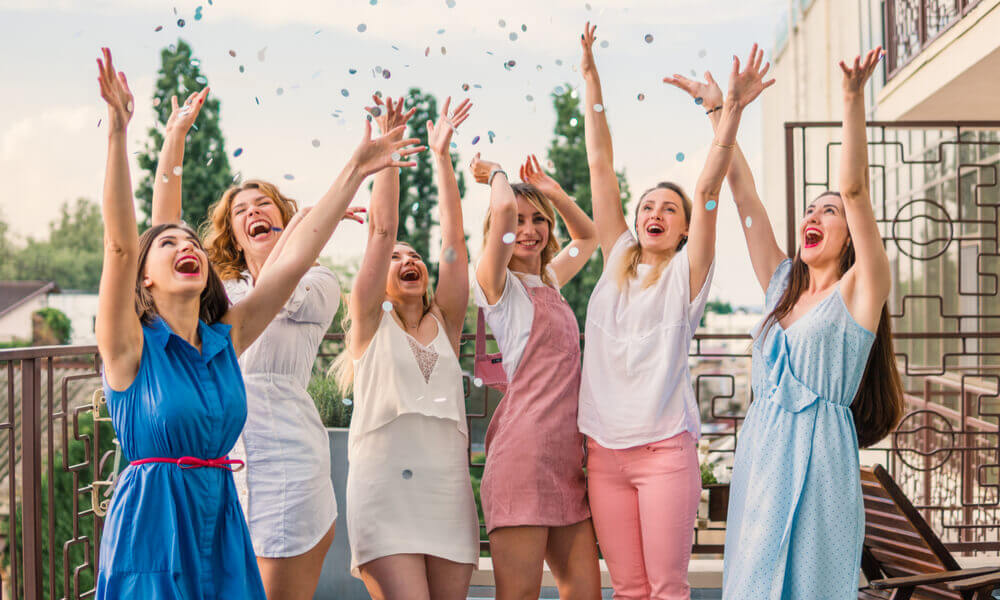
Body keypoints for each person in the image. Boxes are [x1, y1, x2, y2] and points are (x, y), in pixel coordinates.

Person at [93, 47, 422, 599]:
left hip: (221, 517)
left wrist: (357, 169)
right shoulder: (129, 348)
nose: (185, 244)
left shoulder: (228, 336)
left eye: (190, 240)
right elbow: (123, 245)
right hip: (154, 529)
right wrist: (120, 134)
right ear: (145, 280)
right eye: (169, 243)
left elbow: (294, 262)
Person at [667, 48, 904, 599]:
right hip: (763, 448)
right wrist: (720, 110)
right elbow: (743, 195)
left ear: (850, 237)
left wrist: (852, 99)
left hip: (822, 458)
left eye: (828, 212)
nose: (813, 216)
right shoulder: (781, 285)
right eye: (809, 209)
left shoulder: (862, 290)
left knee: (811, 586)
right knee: (753, 580)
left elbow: (856, 191)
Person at [149, 87, 364, 600]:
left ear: (287, 220)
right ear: (232, 233)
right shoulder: (215, 291)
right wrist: (174, 140)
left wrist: (294, 237)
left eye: (263, 205)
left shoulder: (319, 281)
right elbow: (159, 235)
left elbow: (279, 285)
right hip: (217, 461)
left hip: (286, 458)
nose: (252, 212)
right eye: (242, 210)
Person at [582, 24, 773, 600]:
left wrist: (724, 111)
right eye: (647, 206)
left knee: (666, 587)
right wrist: (589, 71)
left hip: (665, 451)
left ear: (686, 227)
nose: (654, 212)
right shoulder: (615, 253)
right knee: (627, 588)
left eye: (669, 208)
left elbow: (711, 182)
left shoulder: (688, 273)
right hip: (602, 452)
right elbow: (598, 161)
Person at [335, 95, 479, 600]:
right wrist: (388, 156)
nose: (406, 260)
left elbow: (455, 243)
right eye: (395, 259)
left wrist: (442, 157)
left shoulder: (447, 321)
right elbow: (381, 229)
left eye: (414, 256)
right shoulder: (369, 321)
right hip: (384, 491)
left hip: (447, 492)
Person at [471, 145, 601, 599]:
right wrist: (497, 175)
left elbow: (588, 238)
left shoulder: (550, 281)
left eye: (538, 220)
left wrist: (555, 193)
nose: (528, 230)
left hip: (567, 462)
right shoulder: (496, 284)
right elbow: (503, 207)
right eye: (518, 221)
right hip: (522, 458)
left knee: (585, 594)